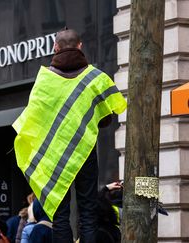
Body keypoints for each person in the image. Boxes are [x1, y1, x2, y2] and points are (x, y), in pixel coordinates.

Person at [12, 28, 127, 243]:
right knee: (88, 211)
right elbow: (106, 119)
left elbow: (35, 121)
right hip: (85, 152)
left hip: (54, 156)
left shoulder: (44, 80)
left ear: (55, 47)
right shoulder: (95, 78)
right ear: (80, 46)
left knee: (60, 214)